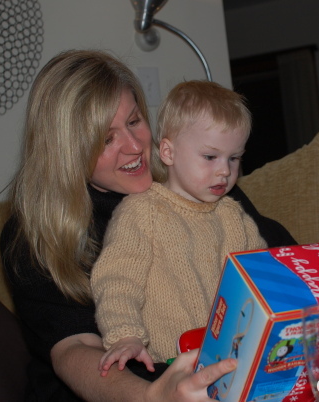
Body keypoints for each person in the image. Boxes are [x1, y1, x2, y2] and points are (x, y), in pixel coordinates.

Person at [0, 49, 297, 401]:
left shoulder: (203, 186)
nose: (134, 146)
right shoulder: (35, 236)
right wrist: (153, 397)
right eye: (106, 139)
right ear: (67, 151)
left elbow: (279, 262)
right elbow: (74, 350)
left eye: (134, 121)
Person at [91, 81, 267, 376]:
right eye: (210, 157)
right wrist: (125, 335)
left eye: (234, 158)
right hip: (171, 367)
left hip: (234, 361)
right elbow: (117, 280)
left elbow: (263, 276)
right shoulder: (141, 212)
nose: (225, 170)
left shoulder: (234, 216)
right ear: (168, 152)